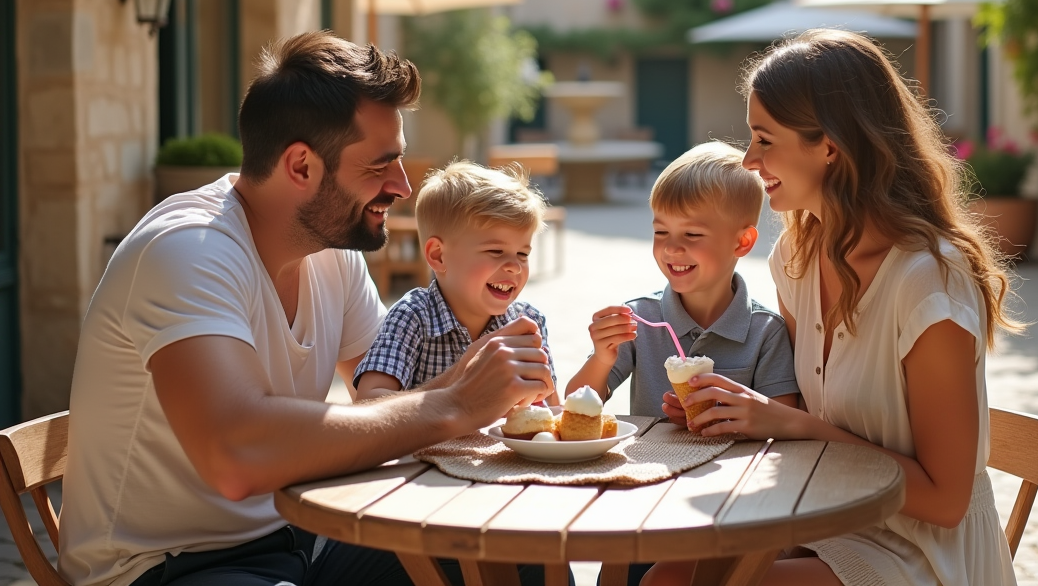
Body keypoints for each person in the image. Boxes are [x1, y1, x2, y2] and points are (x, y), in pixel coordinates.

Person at [58, 31, 555, 586]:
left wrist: (477, 394)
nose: (403, 185)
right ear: (300, 166)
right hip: (163, 568)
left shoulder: (330, 256)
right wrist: (456, 402)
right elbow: (236, 454)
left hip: (299, 544)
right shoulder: (187, 251)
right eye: (380, 165)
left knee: (507, 546)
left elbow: (382, 402)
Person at [645, 30, 1021, 586]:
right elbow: (812, 420)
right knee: (662, 577)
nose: (749, 160)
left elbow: (946, 500)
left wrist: (785, 423)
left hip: (921, 554)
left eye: (765, 140)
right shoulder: (797, 255)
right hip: (827, 516)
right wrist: (737, 411)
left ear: (829, 145)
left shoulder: (929, 283)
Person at [566, 141, 800, 422]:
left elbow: (784, 420)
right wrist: (602, 358)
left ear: (742, 242)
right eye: (661, 231)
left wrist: (719, 413)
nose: (671, 248)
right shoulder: (639, 319)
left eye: (692, 234)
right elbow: (574, 403)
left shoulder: (766, 332)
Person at [354, 161, 560, 402]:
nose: (514, 266)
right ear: (438, 256)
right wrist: (462, 378)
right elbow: (368, 403)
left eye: (523, 254)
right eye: (495, 251)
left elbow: (551, 412)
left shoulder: (528, 323)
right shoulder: (413, 317)